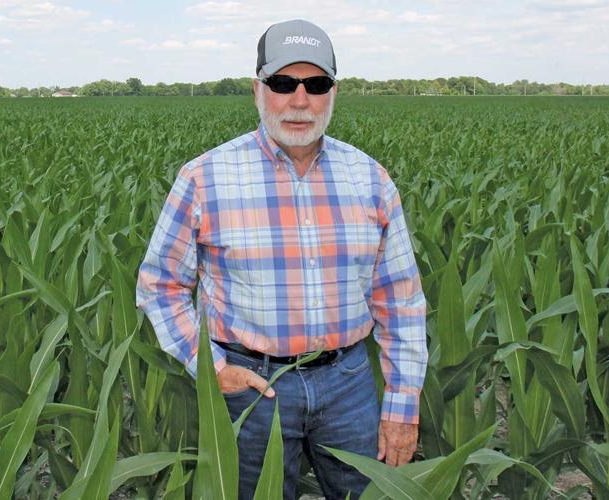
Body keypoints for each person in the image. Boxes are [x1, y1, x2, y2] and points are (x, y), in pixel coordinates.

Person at [136, 19, 427, 500]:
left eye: (316, 84)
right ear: (258, 90)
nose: (299, 100)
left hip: (350, 384)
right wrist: (208, 366)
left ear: (333, 92)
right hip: (251, 388)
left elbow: (400, 301)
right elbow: (160, 285)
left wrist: (402, 405)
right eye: (282, 83)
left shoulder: (369, 179)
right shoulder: (205, 178)